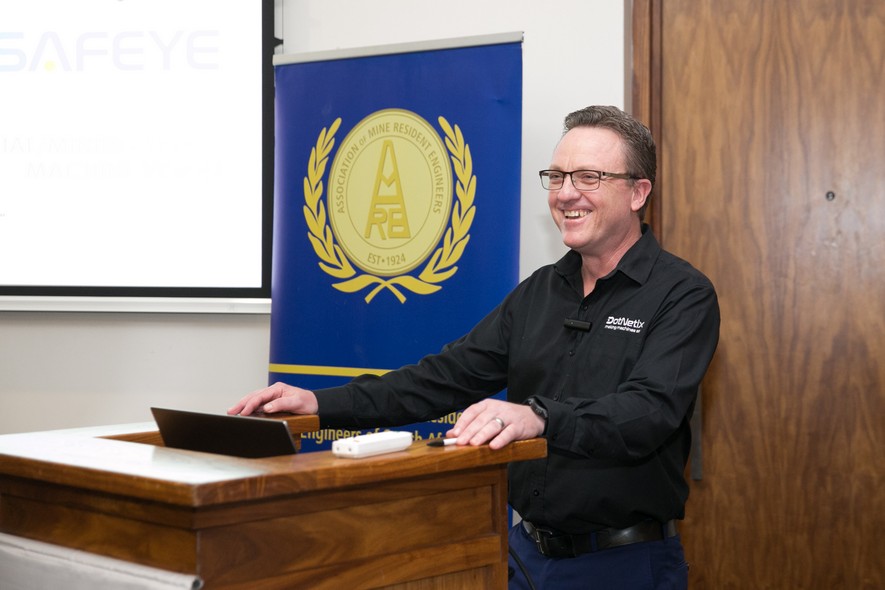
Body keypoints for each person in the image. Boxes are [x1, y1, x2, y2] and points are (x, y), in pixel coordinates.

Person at [229, 105, 720, 589]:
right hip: (521, 557)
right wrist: (318, 403)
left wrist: (541, 417)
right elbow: (442, 379)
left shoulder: (683, 295)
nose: (566, 193)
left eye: (589, 177)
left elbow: (648, 412)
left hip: (623, 565)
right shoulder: (539, 291)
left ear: (638, 192)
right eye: (557, 176)